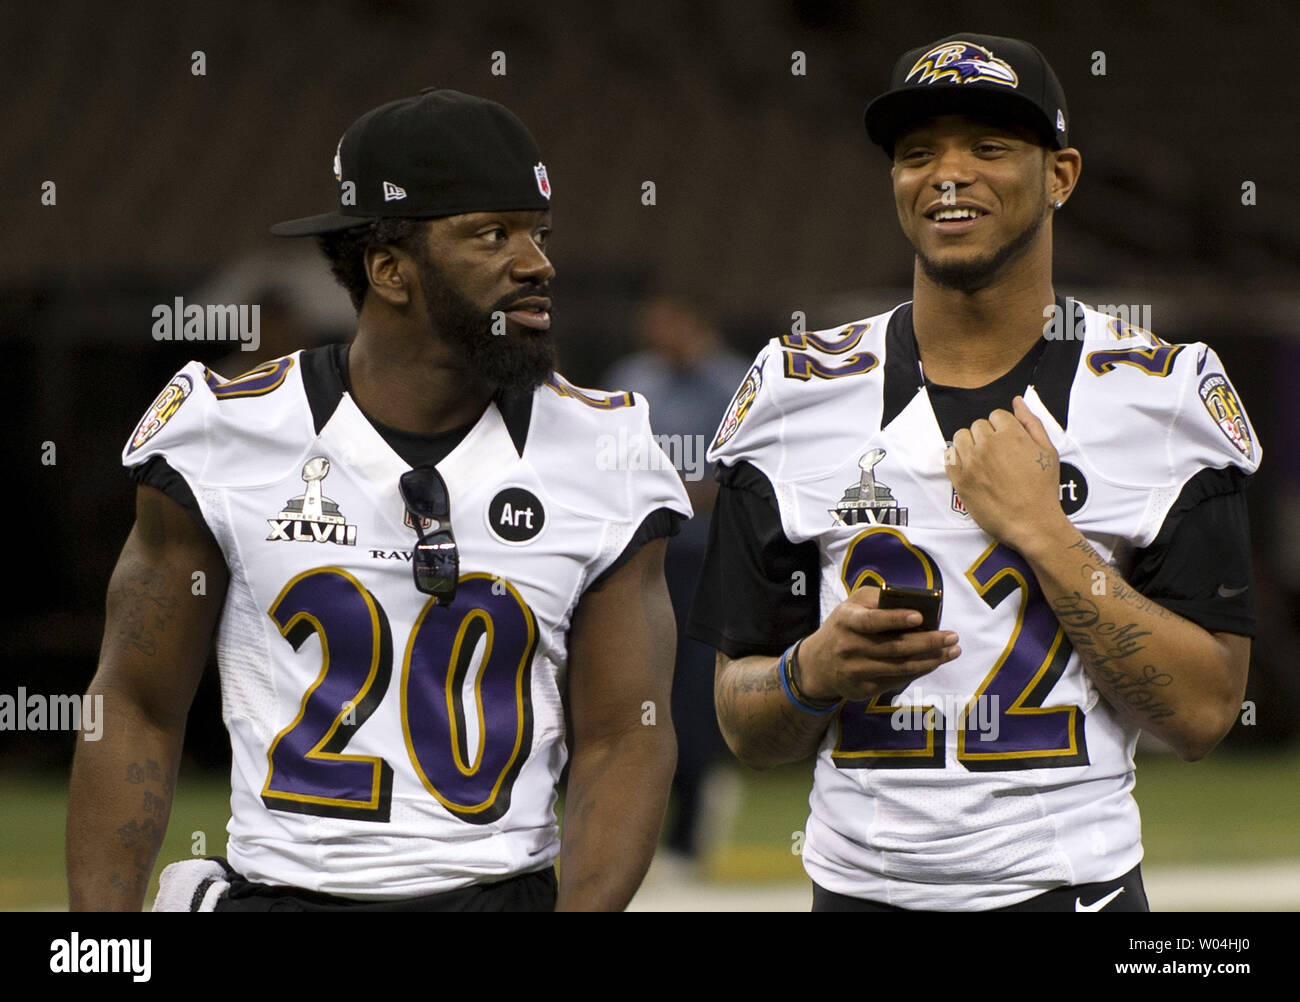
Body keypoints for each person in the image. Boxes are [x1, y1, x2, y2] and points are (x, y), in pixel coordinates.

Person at [67, 88, 691, 912]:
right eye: (492, 233)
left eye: (539, 231)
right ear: (390, 269)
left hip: (496, 895)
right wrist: (103, 944)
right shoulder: (226, 433)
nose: (538, 261)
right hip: (287, 893)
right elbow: (135, 705)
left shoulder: (603, 452)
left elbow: (625, 735)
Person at [688, 34, 1260, 911]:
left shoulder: (1164, 396)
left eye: (989, 147)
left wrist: (1044, 534)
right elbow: (742, 723)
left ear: (1061, 175)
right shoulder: (793, 392)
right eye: (919, 153)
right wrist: (812, 671)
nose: (948, 174)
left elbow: (1204, 715)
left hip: (1074, 890)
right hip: (856, 891)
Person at [604, 297, 749, 865]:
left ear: (697, 325)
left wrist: (668, 496)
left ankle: (689, 830)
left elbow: (746, 476)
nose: (661, 338)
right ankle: (644, 829)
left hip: (704, 561)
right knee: (639, 693)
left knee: (693, 695)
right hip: (638, 556)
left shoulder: (733, 381)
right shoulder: (633, 379)